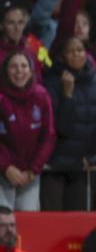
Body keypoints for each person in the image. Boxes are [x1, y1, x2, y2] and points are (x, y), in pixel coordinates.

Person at [42, 37, 96, 211]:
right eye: (70, 51)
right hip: (55, 165)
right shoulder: (51, 82)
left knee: (77, 219)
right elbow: (61, 127)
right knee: (52, 220)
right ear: (62, 56)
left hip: (82, 165)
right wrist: (67, 95)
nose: (76, 54)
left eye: (79, 50)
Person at [0, 51, 54, 211]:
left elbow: (48, 136)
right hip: (2, 172)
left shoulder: (42, 96)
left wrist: (32, 170)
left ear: (31, 71)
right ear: (5, 71)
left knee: (29, 219)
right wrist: (6, 167)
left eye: (24, 66)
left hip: (30, 175)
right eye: (14, 66)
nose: (19, 71)